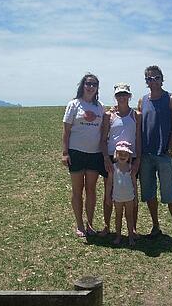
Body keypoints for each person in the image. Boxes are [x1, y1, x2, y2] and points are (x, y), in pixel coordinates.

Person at [138, 65, 172, 246]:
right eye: (149, 79)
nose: (153, 82)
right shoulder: (142, 100)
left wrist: (170, 148)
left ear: (162, 79)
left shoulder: (171, 99)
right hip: (146, 155)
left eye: (156, 78)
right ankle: (156, 227)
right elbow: (138, 124)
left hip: (163, 154)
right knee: (149, 193)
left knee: (170, 194)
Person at [62, 73, 106, 238]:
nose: (91, 87)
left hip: (94, 154)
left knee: (91, 190)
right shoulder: (74, 105)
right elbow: (66, 131)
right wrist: (65, 152)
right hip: (76, 153)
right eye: (88, 83)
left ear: (97, 88)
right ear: (83, 85)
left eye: (94, 84)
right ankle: (79, 224)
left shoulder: (99, 106)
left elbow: (103, 128)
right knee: (77, 190)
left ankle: (90, 224)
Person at [100, 83, 141, 237]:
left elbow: (138, 138)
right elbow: (103, 139)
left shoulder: (136, 115)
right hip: (112, 156)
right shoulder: (108, 116)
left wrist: (138, 160)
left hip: (131, 157)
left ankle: (133, 228)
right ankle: (107, 226)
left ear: (129, 96)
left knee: (130, 191)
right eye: (119, 95)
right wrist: (106, 158)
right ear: (115, 97)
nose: (122, 97)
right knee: (109, 191)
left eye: (124, 94)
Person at [105, 141, 138, 246]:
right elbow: (109, 184)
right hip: (117, 197)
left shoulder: (131, 169)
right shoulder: (113, 168)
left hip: (129, 197)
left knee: (129, 216)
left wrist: (136, 197)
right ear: (116, 154)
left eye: (125, 154)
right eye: (120, 154)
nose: (123, 156)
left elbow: (134, 184)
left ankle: (131, 237)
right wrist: (108, 197)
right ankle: (118, 236)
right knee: (118, 216)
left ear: (129, 156)